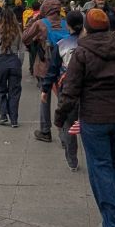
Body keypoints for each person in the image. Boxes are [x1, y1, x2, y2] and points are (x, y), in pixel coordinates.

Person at [55, 8, 115, 227]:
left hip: (94, 117)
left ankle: (113, 225)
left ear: (87, 27)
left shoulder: (83, 52)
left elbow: (70, 89)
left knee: (100, 167)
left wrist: (60, 115)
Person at [35, 10, 84, 170]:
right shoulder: (89, 43)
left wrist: (45, 88)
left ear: (67, 25)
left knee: (69, 124)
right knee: (89, 123)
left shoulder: (62, 45)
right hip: (88, 89)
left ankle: (72, 160)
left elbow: (53, 69)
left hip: (68, 88)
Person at [22, 0, 67, 84]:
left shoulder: (40, 23)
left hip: (45, 63)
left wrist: (33, 20)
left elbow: (25, 37)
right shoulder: (66, 23)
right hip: (63, 65)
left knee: (46, 92)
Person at [0, 7, 24, 127]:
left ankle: (3, 114)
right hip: (14, 60)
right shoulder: (18, 31)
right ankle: (14, 119)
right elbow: (22, 50)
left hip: (1, 61)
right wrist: (19, 63)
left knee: (1, 90)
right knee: (14, 92)